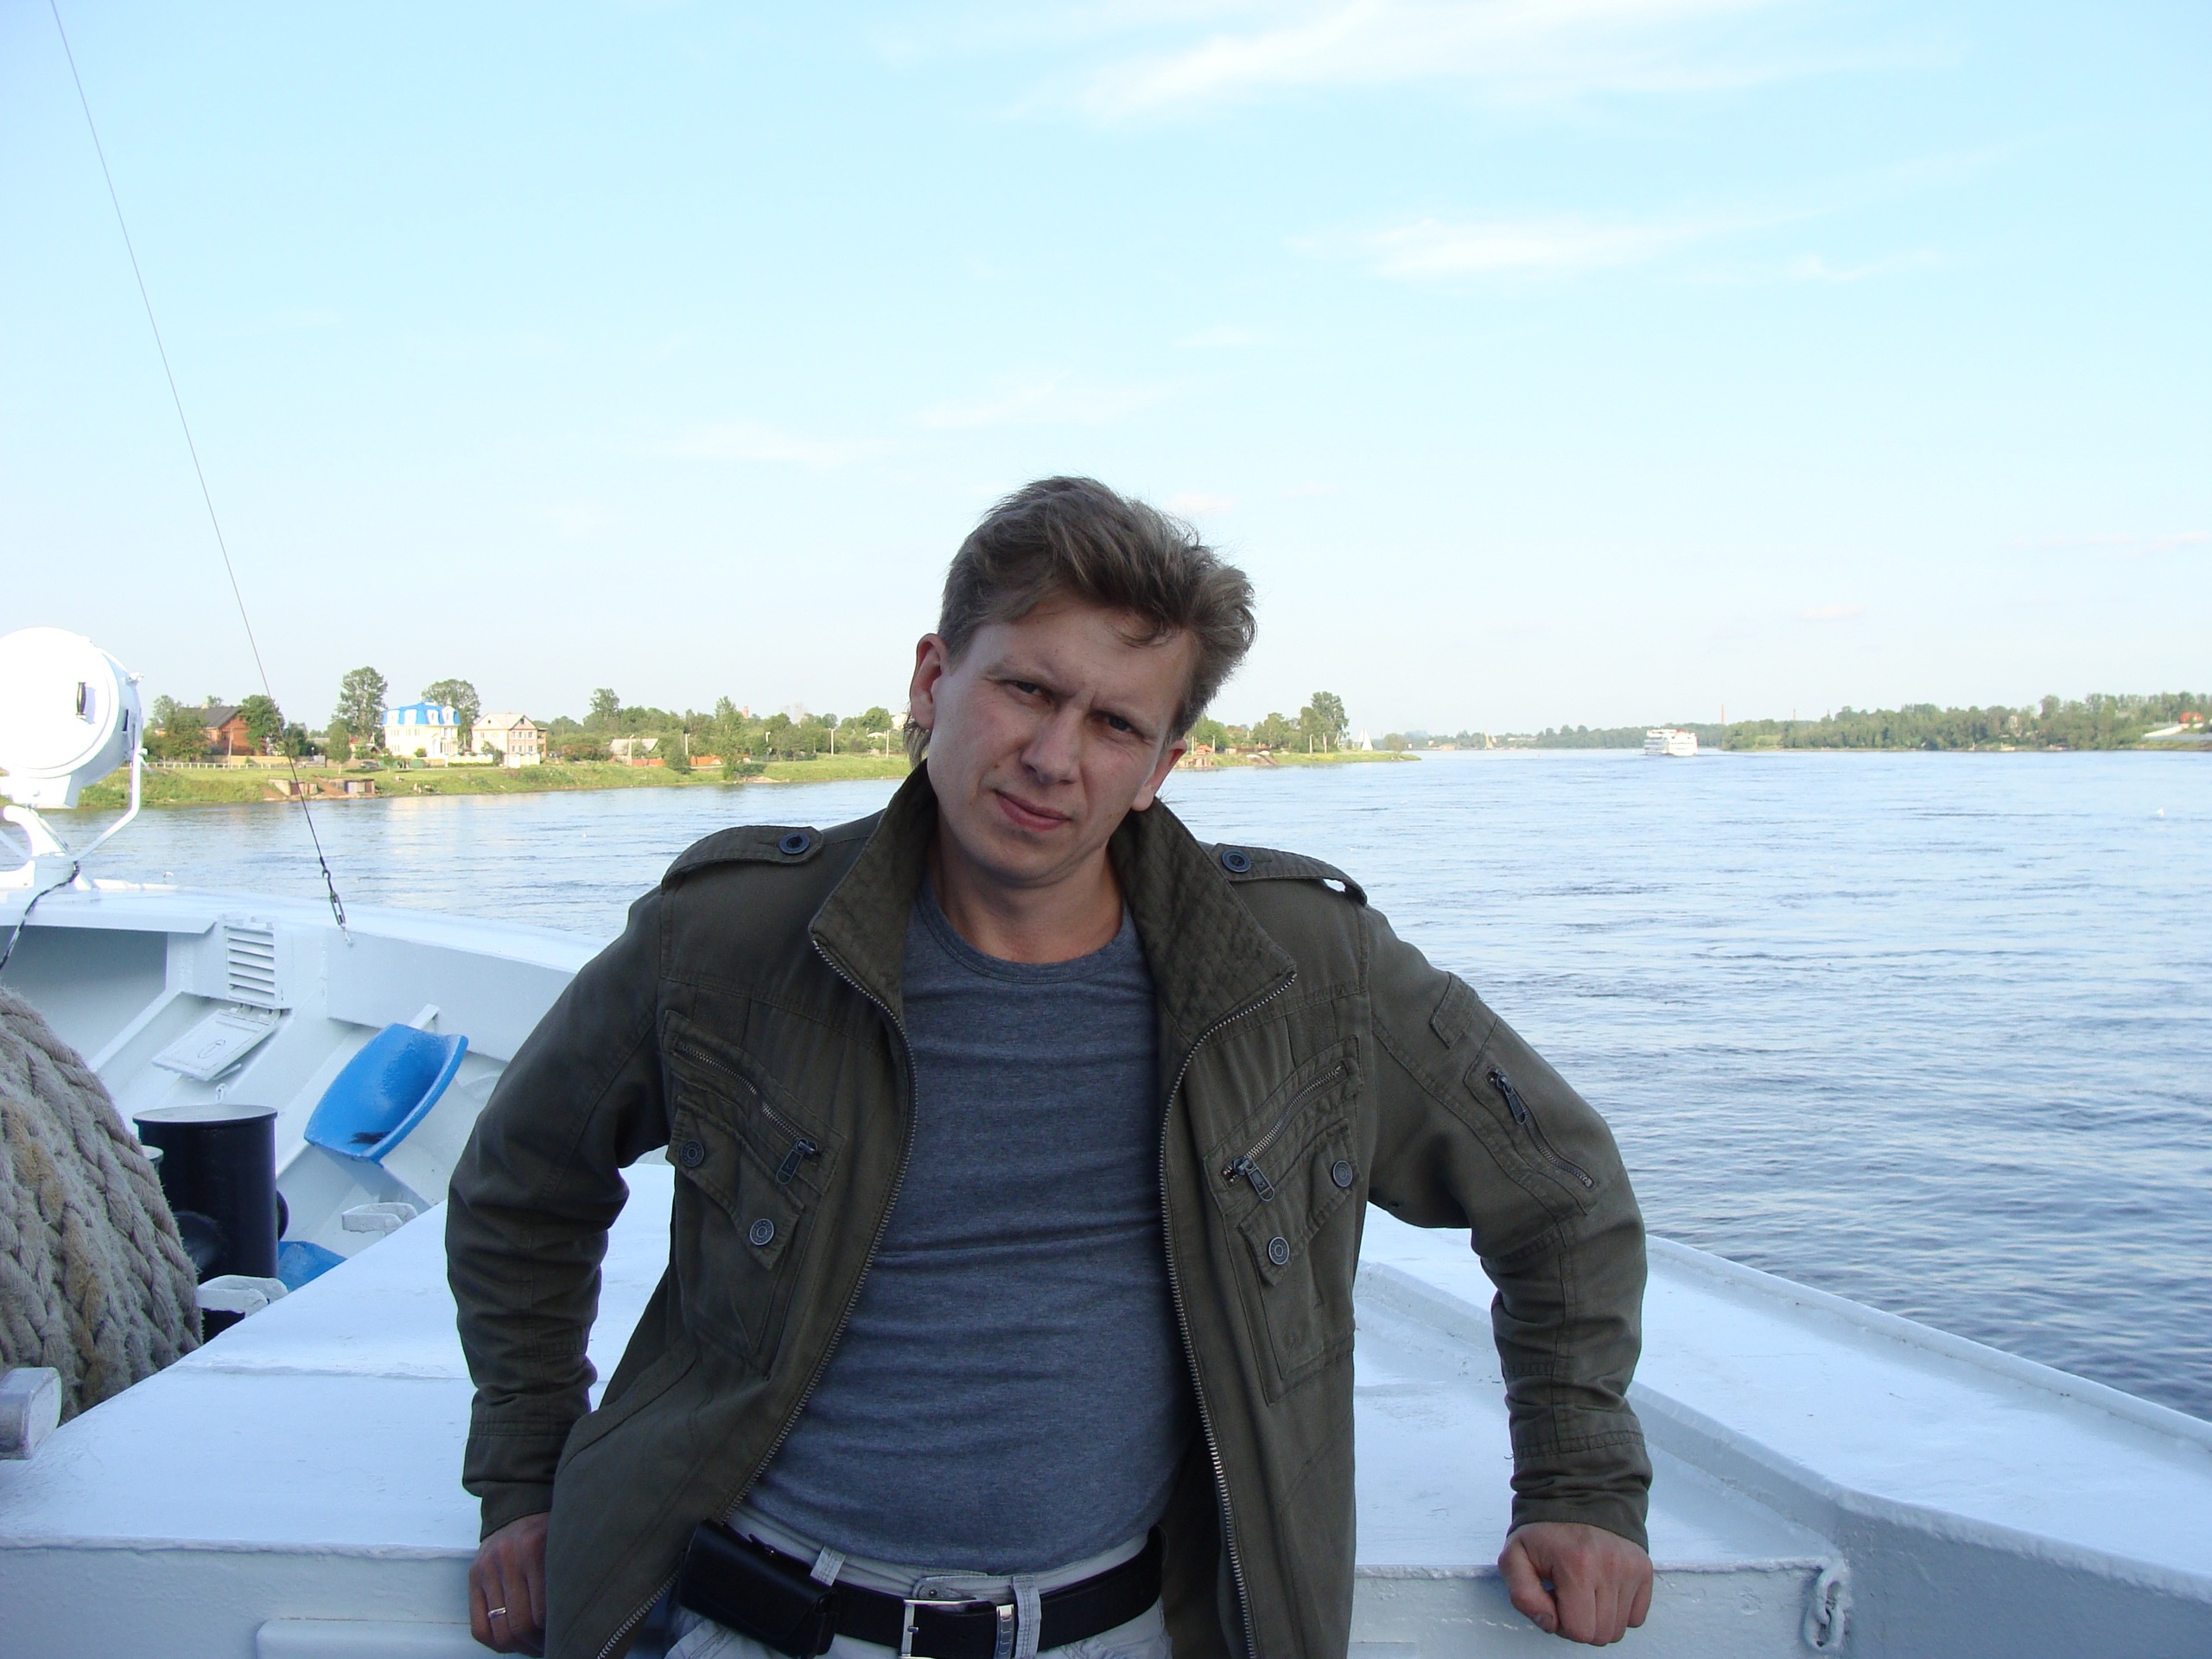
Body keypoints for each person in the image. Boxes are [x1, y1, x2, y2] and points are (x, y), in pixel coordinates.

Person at [448, 477, 1653, 1659]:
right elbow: (523, 1181)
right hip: (756, 1618)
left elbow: (1560, 1188)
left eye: (1117, 725)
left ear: (1161, 766)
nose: (1054, 757)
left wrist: (1580, 1484)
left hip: (1115, 1628)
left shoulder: (1303, 974)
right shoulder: (729, 941)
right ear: (933, 679)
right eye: (1027, 689)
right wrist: (524, 1469)